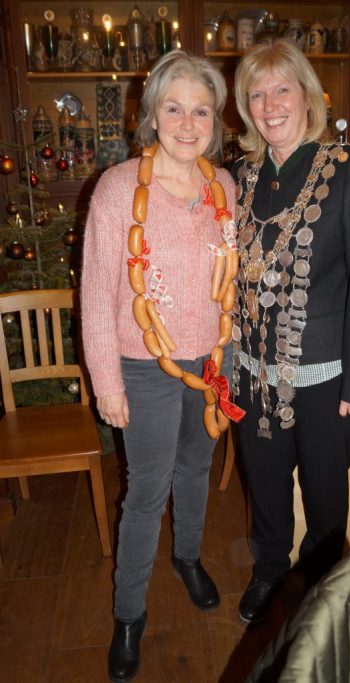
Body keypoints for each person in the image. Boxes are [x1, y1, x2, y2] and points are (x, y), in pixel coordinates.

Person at [81, 51, 236, 682]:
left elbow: (231, 279)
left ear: (215, 121)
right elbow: (97, 293)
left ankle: (188, 557)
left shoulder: (223, 188)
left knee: (196, 468)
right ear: (151, 116)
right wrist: (107, 383)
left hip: (211, 360)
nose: (188, 123)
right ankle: (128, 614)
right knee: (147, 491)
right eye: (174, 108)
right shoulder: (118, 190)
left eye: (201, 110)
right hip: (143, 365)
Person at [231, 39, 350, 625]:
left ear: (307, 96)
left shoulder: (349, 168)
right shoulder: (240, 176)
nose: (270, 105)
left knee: (325, 497)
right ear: (246, 108)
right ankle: (269, 570)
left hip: (326, 377)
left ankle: (323, 584)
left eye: (282, 90)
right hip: (253, 373)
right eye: (257, 94)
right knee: (266, 486)